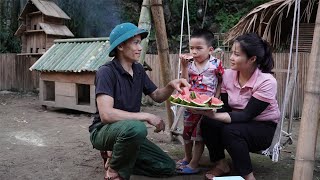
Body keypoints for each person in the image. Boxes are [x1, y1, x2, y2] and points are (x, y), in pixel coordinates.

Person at [88, 22, 190, 180]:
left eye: (139, 43)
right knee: (137, 128)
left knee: (167, 167)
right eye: (135, 42)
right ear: (121, 46)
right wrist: (147, 116)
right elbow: (106, 115)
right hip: (103, 131)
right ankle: (114, 170)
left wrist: (170, 86)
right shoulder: (106, 72)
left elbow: (156, 95)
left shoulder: (138, 70)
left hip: (129, 133)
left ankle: (116, 157)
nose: (140, 48)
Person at [190, 33, 280, 180]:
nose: (231, 57)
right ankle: (221, 164)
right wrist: (205, 108)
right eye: (232, 52)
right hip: (238, 120)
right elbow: (225, 106)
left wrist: (212, 114)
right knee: (208, 123)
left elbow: (247, 115)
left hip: (263, 127)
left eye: (236, 54)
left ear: (252, 59)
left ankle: (248, 176)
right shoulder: (228, 75)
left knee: (231, 131)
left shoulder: (267, 82)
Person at [176, 29, 223, 174]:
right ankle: (187, 157)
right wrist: (184, 67)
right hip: (189, 105)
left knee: (199, 136)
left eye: (198, 48)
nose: (194, 52)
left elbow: (221, 82)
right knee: (187, 134)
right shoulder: (189, 64)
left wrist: (216, 98)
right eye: (191, 48)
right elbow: (184, 83)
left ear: (210, 50)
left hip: (206, 106)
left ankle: (194, 163)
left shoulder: (216, 64)